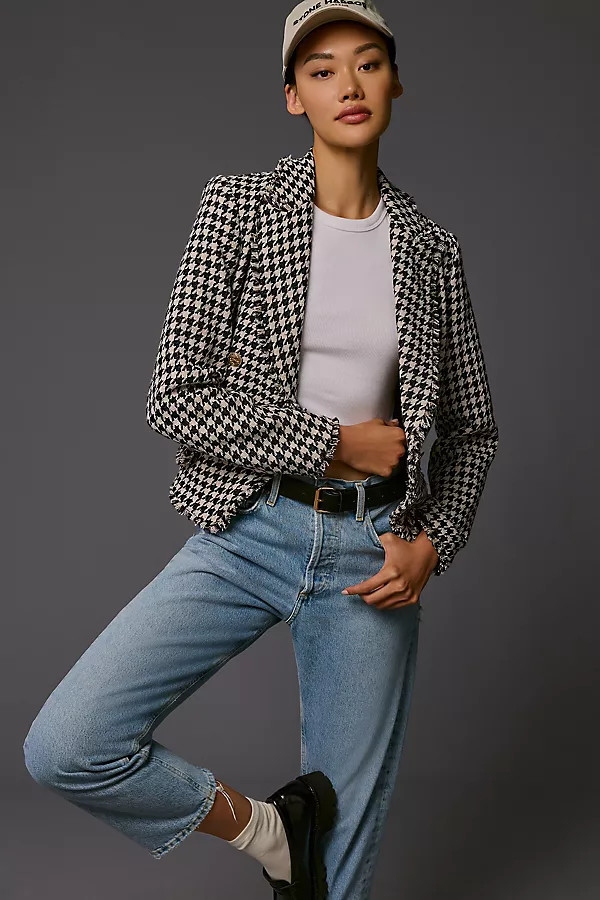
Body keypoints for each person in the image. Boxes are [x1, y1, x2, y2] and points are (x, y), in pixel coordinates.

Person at [22, 1, 499, 898]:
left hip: (372, 552)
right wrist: (332, 441)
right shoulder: (240, 208)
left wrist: (434, 540)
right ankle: (270, 831)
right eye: (321, 70)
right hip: (249, 528)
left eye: (367, 63)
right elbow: (176, 395)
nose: (348, 84)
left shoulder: (433, 252)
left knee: (343, 860)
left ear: (395, 82)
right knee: (69, 742)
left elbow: (474, 431)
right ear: (293, 96)